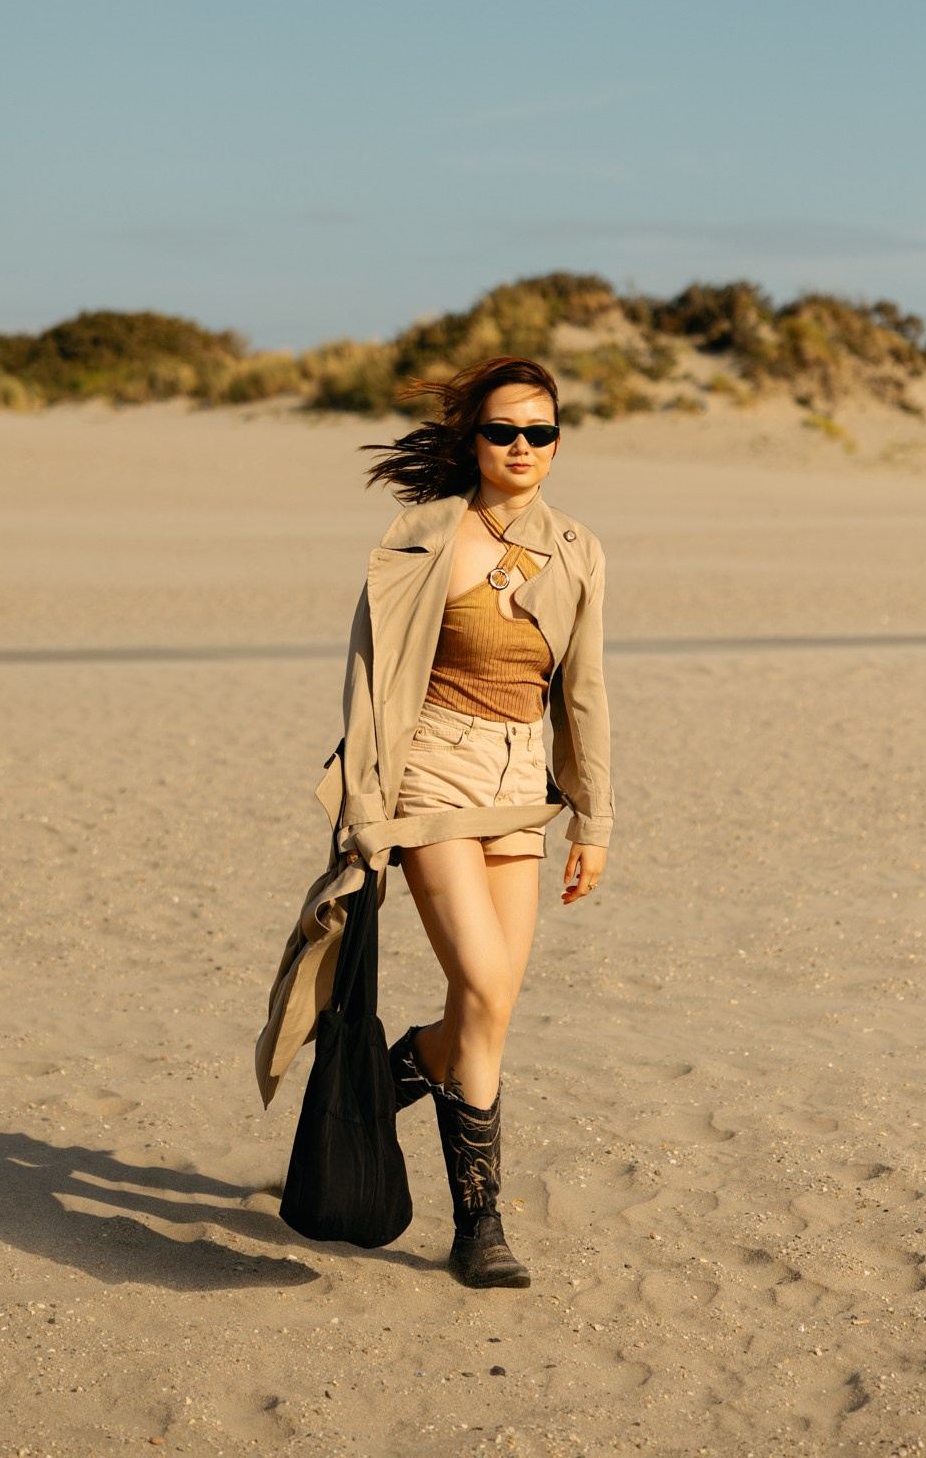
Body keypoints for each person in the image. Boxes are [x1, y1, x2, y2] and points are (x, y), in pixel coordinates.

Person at [339, 354, 614, 1289]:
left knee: (486, 1008)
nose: (522, 447)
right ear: (474, 440)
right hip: (433, 770)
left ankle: (383, 1085)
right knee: (486, 986)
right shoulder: (424, 539)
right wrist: (363, 807)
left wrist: (594, 821)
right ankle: (479, 1227)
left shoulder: (578, 549)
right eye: (503, 431)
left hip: (523, 780)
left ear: (558, 443)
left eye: (540, 432)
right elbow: (370, 678)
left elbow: (585, 691)